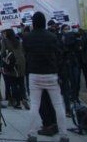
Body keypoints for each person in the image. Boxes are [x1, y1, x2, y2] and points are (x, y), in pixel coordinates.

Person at [23, 12, 69, 142]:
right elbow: (59, 54)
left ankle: (32, 134)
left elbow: (26, 54)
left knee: (35, 104)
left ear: (33, 22)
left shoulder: (27, 38)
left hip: (34, 73)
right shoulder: (52, 37)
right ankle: (64, 134)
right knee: (58, 104)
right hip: (50, 73)